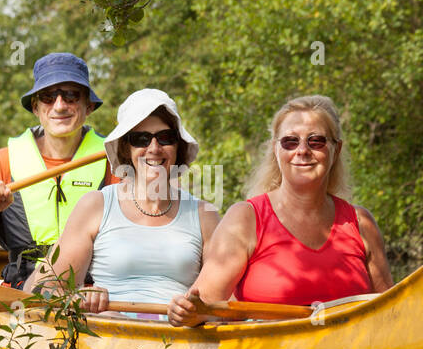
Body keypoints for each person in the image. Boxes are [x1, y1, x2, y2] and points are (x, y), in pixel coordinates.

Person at [167, 95, 392, 326]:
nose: (302, 150)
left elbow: (390, 313)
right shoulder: (245, 219)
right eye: (290, 142)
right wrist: (187, 312)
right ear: (276, 149)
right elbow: (204, 306)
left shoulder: (360, 223)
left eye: (316, 141)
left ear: (336, 149)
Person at [24, 88, 220, 311]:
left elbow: (223, 300)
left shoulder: (205, 214)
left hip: (179, 339)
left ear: (178, 146)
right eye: (141, 139)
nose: (154, 148)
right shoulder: (96, 205)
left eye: (165, 138)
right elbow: (40, 290)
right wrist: (78, 296)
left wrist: (196, 312)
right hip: (107, 337)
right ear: (126, 148)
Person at [0, 52, 113, 288]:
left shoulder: (113, 160)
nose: (60, 105)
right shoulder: (2, 163)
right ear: (35, 107)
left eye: (71, 96)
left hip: (97, 293)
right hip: (24, 293)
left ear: (89, 106)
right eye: (48, 97)